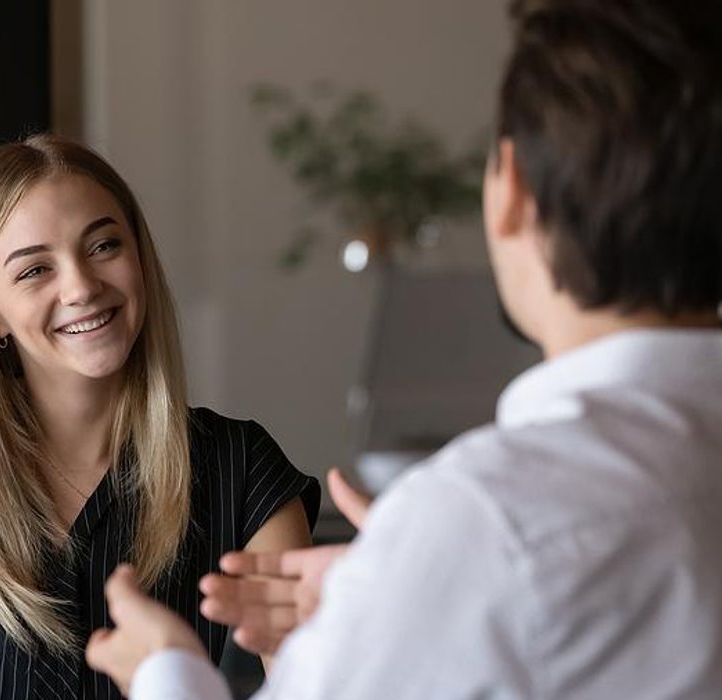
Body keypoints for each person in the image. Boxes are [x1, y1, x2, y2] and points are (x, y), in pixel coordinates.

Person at [85, 0, 722, 697]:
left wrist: (165, 672)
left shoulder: (484, 520)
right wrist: (399, 597)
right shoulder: (474, 528)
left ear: (509, 190)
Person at [0, 134, 320, 699]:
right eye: (34, 270)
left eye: (103, 246)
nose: (82, 286)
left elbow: (322, 686)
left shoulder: (239, 465)